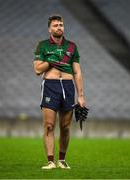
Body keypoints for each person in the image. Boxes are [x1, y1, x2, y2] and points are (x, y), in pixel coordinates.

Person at [33, 15, 86, 169]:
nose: (59, 27)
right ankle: (50, 161)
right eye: (55, 25)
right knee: (49, 125)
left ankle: (62, 160)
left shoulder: (72, 47)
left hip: (68, 86)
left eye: (61, 25)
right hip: (50, 86)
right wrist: (50, 61)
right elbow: (37, 69)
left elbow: (77, 72)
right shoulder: (42, 46)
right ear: (50, 29)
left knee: (65, 127)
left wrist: (81, 95)